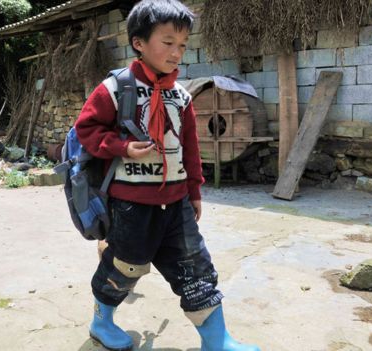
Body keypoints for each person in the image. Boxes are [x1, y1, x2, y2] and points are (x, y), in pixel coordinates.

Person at [74, 1, 260, 350]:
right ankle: (102, 321)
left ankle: (217, 340)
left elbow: (190, 147)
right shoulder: (115, 88)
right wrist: (122, 147)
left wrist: (194, 192)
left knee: (197, 268)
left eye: (183, 45)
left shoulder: (181, 96)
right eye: (168, 42)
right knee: (125, 268)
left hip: (176, 204)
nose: (177, 52)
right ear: (139, 43)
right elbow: (86, 129)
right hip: (132, 205)